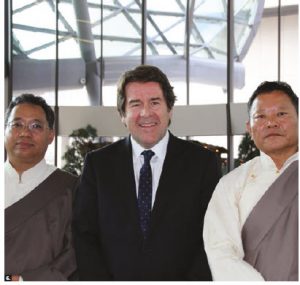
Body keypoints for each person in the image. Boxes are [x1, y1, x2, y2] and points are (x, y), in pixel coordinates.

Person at [73, 64, 222, 281]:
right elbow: (84, 235)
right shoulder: (98, 165)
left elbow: (211, 236)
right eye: (135, 104)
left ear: (169, 110)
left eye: (154, 102)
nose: (145, 113)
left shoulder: (202, 163)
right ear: (122, 114)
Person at [203, 81, 298, 281]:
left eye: (281, 114)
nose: (271, 123)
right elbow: (221, 252)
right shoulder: (232, 184)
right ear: (249, 128)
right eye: (260, 116)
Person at [5, 94, 78, 281]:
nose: (25, 133)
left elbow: (75, 253)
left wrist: (19, 280)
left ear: (51, 135)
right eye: (17, 124)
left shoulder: (70, 188)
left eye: (36, 126)